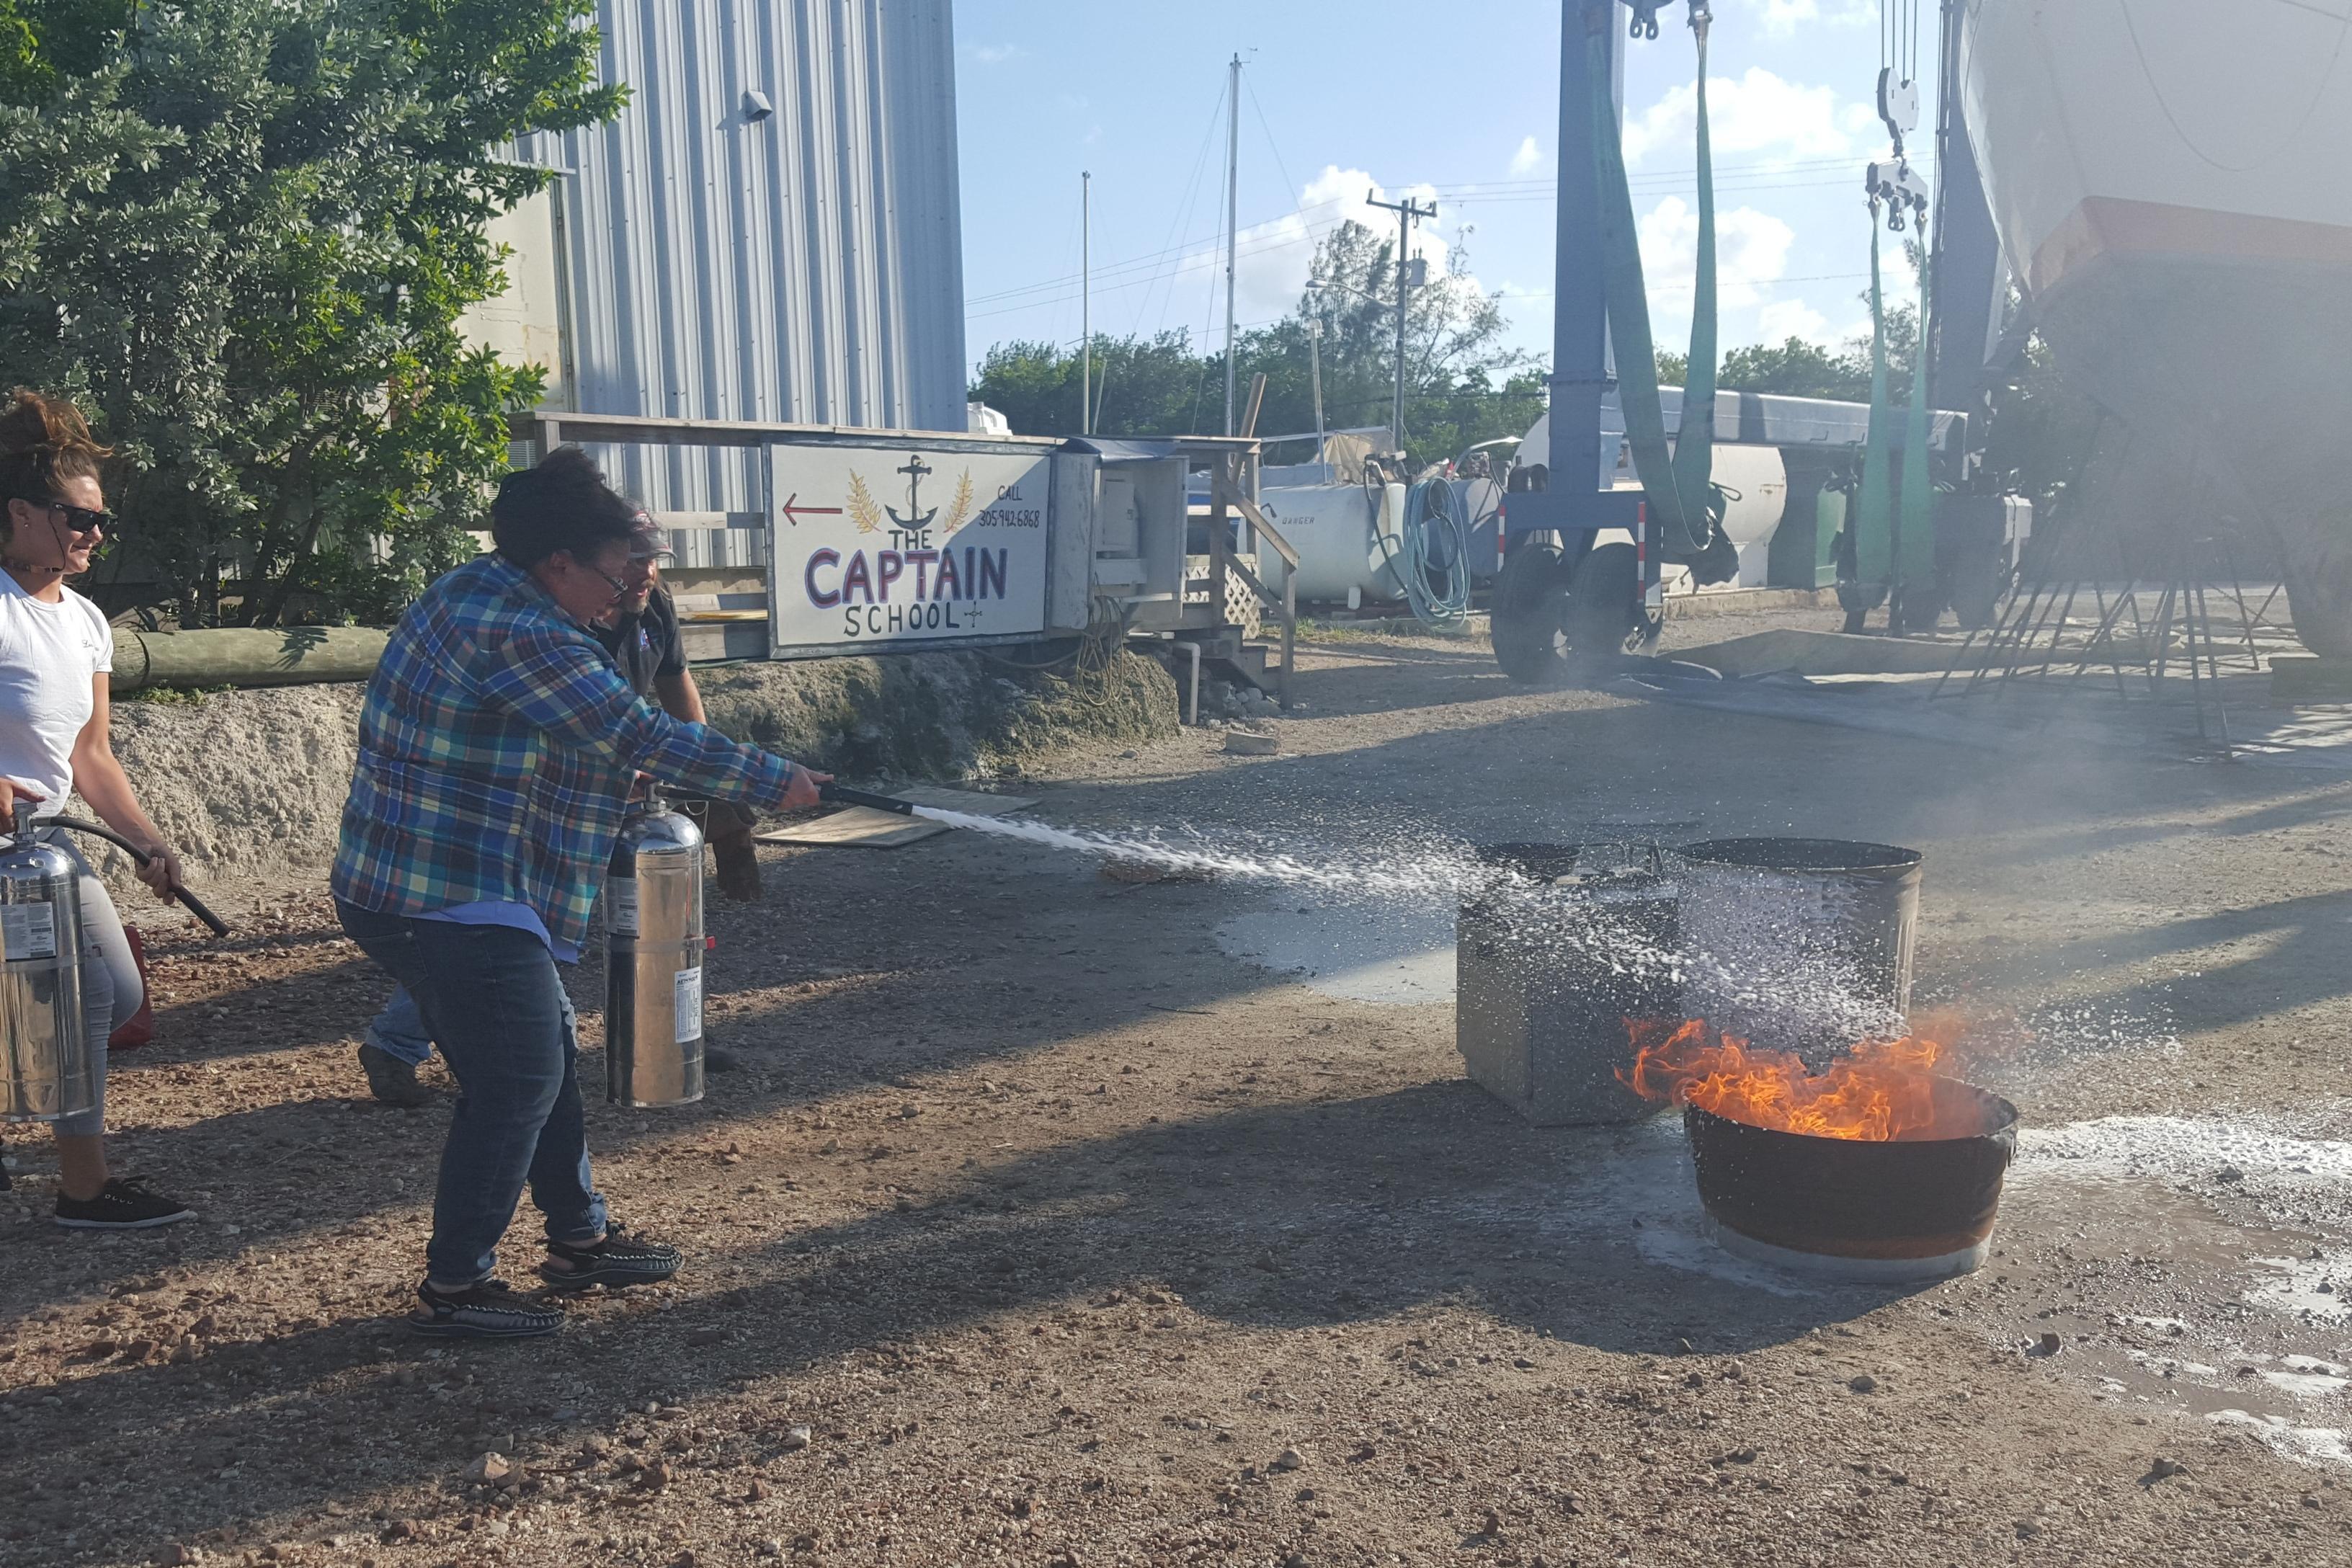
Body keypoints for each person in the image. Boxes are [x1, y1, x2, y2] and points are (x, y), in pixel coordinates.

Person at [332, 447, 827, 1338]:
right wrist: (769, 776)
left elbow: (552, 738)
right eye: (624, 568)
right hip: (437, 889)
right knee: (519, 1074)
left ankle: (578, 1240)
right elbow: (632, 729)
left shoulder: (489, 590)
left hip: (458, 877)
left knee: (544, 1048)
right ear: (558, 560)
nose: (637, 587)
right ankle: (456, 1289)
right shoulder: (523, 629)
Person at [353, 512, 762, 1105]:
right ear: (602, 559)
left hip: (621, 776)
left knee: (661, 916)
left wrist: (711, 781)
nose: (648, 571)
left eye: (655, 559)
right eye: (636, 559)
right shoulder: (565, 619)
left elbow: (677, 685)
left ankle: (673, 1039)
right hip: (552, 791)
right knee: (517, 930)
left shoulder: (652, 607)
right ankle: (397, 1043)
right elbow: (567, 719)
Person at [0, 390, 195, 1228]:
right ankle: (83, 1188)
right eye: (77, 519)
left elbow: (91, 754)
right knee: (71, 1001)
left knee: (112, 994)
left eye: (100, 522)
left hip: (45, 847)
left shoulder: (83, 621)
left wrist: (148, 841)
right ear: (19, 512)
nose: (93, 535)